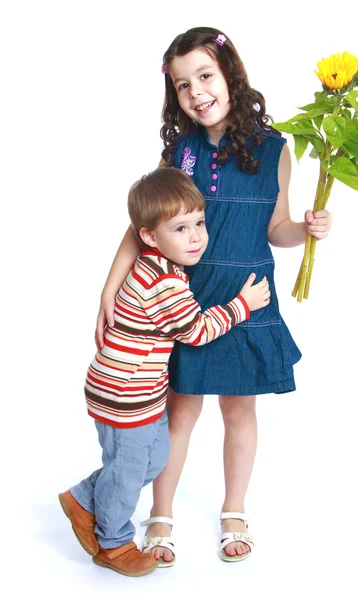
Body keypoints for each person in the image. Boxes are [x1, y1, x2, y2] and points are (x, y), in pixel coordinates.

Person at [95, 26, 332, 565]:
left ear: (230, 76)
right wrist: (110, 288)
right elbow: (144, 228)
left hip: (245, 298)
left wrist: (308, 228)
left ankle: (234, 508)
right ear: (173, 95)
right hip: (190, 304)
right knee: (178, 415)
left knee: (239, 413)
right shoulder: (180, 152)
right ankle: (161, 512)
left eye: (205, 76)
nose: (197, 92)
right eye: (182, 85)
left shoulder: (275, 150)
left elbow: (277, 228)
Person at [59, 167, 271, 576]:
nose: (196, 237)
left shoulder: (164, 266)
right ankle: (114, 542)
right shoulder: (165, 282)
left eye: (199, 223)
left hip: (140, 390)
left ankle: (84, 497)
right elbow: (195, 330)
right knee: (130, 467)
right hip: (125, 394)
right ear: (150, 237)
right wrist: (241, 305)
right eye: (180, 228)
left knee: (153, 457)